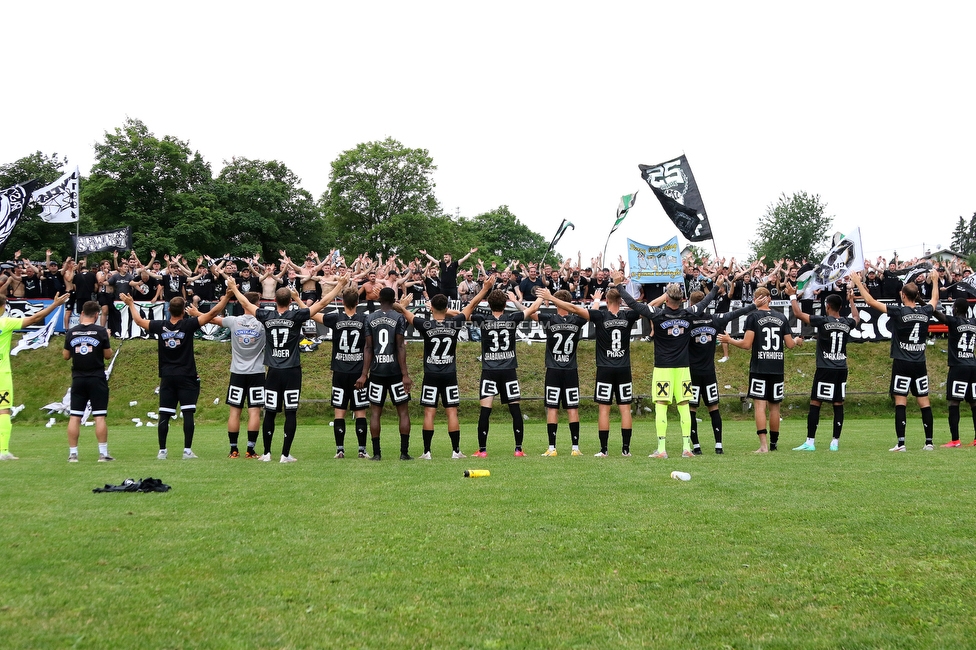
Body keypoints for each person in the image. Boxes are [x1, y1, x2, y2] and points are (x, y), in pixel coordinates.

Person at [236, 281, 342, 462]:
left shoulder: (266, 315)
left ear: (274, 300)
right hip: (292, 371)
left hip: (273, 371)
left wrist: (233, 286)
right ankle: (285, 454)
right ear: (291, 301)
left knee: (269, 412)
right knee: (290, 412)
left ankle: (267, 453)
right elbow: (322, 303)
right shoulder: (296, 315)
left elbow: (246, 304)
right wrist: (340, 285)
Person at [123, 289, 230, 459]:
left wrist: (130, 304)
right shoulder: (188, 325)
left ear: (168, 310)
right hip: (186, 375)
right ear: (183, 311)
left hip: (167, 376)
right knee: (188, 412)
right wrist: (227, 298)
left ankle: (162, 451)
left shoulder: (160, 325)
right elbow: (213, 313)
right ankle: (187, 451)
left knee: (164, 413)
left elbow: (138, 320)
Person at [394, 282, 490, 459]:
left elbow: (403, 312)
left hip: (431, 374)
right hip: (449, 374)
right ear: (447, 307)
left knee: (429, 412)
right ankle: (455, 451)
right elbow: (472, 305)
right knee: (451, 411)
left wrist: (397, 303)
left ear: (432, 308)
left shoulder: (425, 325)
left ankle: (427, 452)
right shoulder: (454, 323)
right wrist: (484, 289)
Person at [851, 269, 939, 451]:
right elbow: (935, 300)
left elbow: (870, 301)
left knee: (901, 401)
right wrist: (936, 281)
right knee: (924, 401)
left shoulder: (899, 311)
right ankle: (929, 442)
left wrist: (858, 282)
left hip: (902, 361)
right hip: (920, 362)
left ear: (904, 295)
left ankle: (901, 443)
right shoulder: (925, 312)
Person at [637, 275, 718, 459]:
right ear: (682, 299)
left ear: (667, 299)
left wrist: (619, 286)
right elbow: (705, 302)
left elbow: (636, 305)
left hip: (663, 368)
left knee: (660, 405)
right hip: (683, 368)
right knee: (684, 406)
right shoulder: (688, 314)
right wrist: (716, 287)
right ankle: (686, 447)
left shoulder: (657, 315)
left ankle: (662, 448)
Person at [719, 287, 802, 453]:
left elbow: (746, 344)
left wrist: (729, 340)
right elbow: (790, 344)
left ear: (755, 299)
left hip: (759, 367)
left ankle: (763, 445)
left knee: (759, 406)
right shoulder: (781, 317)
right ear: (770, 298)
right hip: (777, 367)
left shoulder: (753, 317)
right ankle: (774, 444)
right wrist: (798, 340)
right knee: (775, 407)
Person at [192, 279, 267, 459]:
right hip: (256, 372)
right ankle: (250, 450)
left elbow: (212, 318)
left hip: (237, 373)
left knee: (235, 411)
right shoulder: (263, 323)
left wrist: (197, 312)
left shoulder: (234, 321)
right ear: (256, 305)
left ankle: (233, 450)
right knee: (254, 411)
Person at [469, 283, 542, 457]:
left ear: (489, 304)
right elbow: (533, 309)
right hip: (509, 370)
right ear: (505, 304)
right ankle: (518, 449)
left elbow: (469, 307)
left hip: (489, 370)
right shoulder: (512, 319)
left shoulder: (483, 320)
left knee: (485, 411)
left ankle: (483, 450)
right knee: (515, 410)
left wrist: (484, 290)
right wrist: (542, 295)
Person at [686, 282, 759, 454]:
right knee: (714, 408)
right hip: (709, 372)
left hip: (692, 373)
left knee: (692, 410)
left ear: (690, 304)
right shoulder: (714, 320)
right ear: (705, 302)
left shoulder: (688, 320)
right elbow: (735, 313)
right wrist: (754, 305)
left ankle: (696, 446)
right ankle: (718, 445)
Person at [786, 282, 860, 452]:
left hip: (825, 367)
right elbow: (857, 318)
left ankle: (810, 442)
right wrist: (852, 301)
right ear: (840, 307)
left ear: (827, 307)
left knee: (815, 403)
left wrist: (792, 295)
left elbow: (798, 313)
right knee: (838, 404)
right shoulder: (847, 322)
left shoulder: (822, 320)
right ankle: (835, 442)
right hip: (841, 368)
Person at [0, 292, 70, 460]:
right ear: (2, 307)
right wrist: (54, 305)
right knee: (3, 411)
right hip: (2, 373)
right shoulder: (5, 322)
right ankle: (2, 450)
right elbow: (33, 319)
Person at [313, 276, 372, 459]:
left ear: (343, 301)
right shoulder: (364, 319)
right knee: (360, 412)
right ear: (358, 302)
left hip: (339, 371)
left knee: (340, 412)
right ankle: (362, 450)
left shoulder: (335, 318)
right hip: (358, 372)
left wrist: (299, 300)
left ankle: (340, 449)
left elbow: (313, 314)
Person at [586, 284, 642, 457]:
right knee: (625, 408)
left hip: (605, 368)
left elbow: (580, 310)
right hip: (624, 368)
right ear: (621, 300)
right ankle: (626, 449)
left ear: (606, 300)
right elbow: (646, 307)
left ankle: (604, 450)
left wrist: (596, 300)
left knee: (604, 409)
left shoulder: (600, 315)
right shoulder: (629, 315)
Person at [535, 288, 590, 456]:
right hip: (571, 370)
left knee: (552, 408)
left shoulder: (549, 319)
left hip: (553, 369)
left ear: (554, 302)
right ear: (570, 302)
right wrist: (595, 300)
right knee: (572, 409)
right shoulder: (577, 320)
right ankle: (575, 448)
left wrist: (519, 300)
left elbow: (529, 313)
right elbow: (590, 314)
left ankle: (552, 448)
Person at [363, 287, 414, 461]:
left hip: (377, 371)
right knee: (403, 412)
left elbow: (368, 348)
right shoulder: (399, 317)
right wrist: (405, 374)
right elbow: (400, 347)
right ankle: (404, 452)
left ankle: (376, 453)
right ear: (394, 300)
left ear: (378, 299)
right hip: (395, 371)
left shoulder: (369, 318)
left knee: (375, 412)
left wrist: (364, 374)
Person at [63, 300, 114, 462]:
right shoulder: (100, 331)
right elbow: (108, 355)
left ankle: (73, 454)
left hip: (78, 378)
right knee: (99, 416)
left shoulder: (71, 332)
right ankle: (103, 453)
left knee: (75, 416)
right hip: (96, 378)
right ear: (97, 315)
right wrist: (107, 339)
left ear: (82, 313)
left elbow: (65, 356)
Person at [933, 297, 976, 447]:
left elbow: (936, 314)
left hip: (958, 366)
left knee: (954, 402)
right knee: (974, 402)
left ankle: (955, 440)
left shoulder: (954, 321)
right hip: (973, 364)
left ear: (956, 309)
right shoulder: (973, 323)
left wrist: (921, 301)